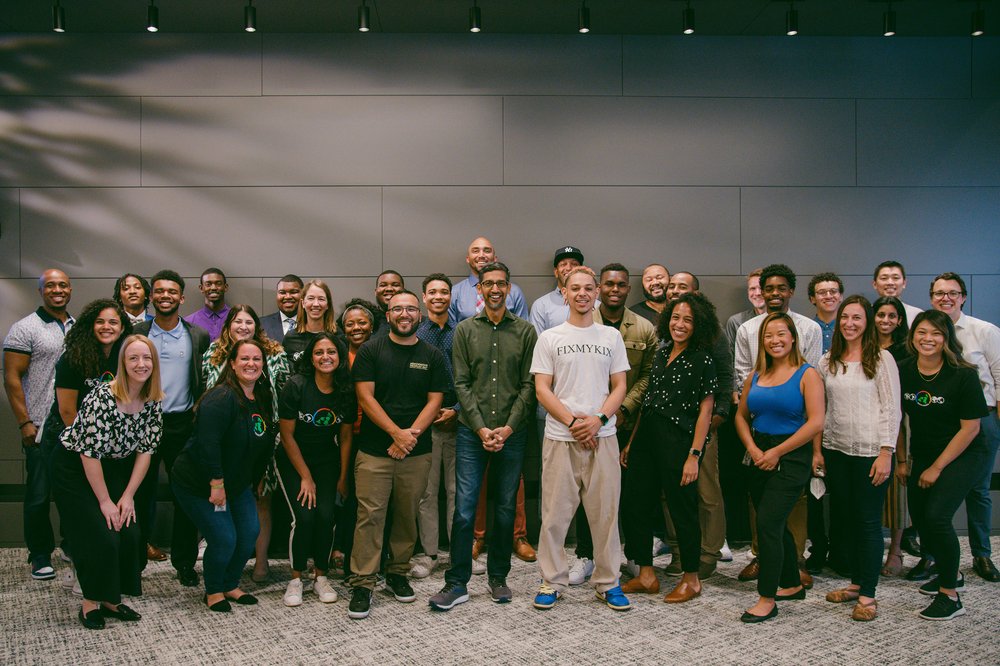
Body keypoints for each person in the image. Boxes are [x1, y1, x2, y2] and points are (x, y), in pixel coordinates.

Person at [429, 262, 538, 611]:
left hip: (513, 433)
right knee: (464, 509)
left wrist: (506, 427)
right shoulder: (464, 331)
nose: (494, 289)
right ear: (479, 289)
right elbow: (460, 383)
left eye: (500, 284)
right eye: (487, 283)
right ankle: (457, 582)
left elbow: (529, 384)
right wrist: (480, 427)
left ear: (509, 289)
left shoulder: (525, 332)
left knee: (505, 509)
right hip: (471, 434)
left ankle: (498, 578)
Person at [530, 266, 631, 612]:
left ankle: (608, 582)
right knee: (555, 516)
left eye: (589, 288)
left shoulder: (610, 338)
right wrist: (574, 422)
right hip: (562, 437)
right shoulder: (550, 338)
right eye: (576, 288)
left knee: (605, 516)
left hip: (603, 437)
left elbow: (620, 386)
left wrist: (599, 419)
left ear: (597, 293)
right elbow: (542, 389)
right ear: (564, 293)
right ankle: (552, 580)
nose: (583, 294)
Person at [347, 290, 449, 620]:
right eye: (397, 309)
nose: (404, 314)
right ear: (387, 314)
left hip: (416, 453)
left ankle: (397, 573)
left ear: (418, 315)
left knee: (407, 514)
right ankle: (363, 582)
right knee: (370, 516)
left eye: (410, 309)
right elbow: (365, 397)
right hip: (375, 452)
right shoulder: (370, 351)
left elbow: (435, 401)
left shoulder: (432, 355)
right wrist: (396, 434)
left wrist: (409, 438)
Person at [53, 334, 163, 629]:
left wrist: (127, 497)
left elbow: (146, 451)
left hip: (112, 467)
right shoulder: (103, 396)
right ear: (123, 363)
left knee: (129, 531)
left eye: (147, 358)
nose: (141, 364)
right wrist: (104, 502)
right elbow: (88, 454)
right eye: (133, 358)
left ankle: (111, 599)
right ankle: (90, 602)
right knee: (101, 533)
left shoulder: (152, 400)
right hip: (74, 467)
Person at [621, 292, 718, 603]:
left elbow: (705, 411)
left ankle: (691, 579)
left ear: (698, 324)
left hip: (678, 442)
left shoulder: (704, 358)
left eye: (687, 320)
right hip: (646, 438)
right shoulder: (661, 355)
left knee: (683, 511)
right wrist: (632, 443)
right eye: (675, 318)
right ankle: (646, 575)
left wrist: (694, 455)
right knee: (637, 506)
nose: (680, 324)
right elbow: (647, 404)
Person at [733, 264, 823, 588]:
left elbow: (815, 409)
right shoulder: (748, 331)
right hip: (758, 441)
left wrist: (808, 449)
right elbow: (742, 386)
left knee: (787, 509)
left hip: (792, 442)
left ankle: (791, 567)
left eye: (780, 288)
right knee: (763, 511)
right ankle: (767, 558)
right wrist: (755, 448)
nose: (773, 293)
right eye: (767, 288)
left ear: (790, 291)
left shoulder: (809, 331)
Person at [171, 339, 275, 612]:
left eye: (256, 359)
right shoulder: (222, 397)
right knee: (224, 537)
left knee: (250, 531)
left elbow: (262, 440)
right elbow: (209, 444)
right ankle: (214, 590)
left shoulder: (260, 396)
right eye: (244, 359)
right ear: (232, 363)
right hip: (199, 482)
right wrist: (216, 483)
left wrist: (259, 476)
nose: (251, 364)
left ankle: (230, 584)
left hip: (237, 481)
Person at [899, 311, 989, 620]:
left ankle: (950, 596)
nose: (928, 339)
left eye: (936, 333)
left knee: (937, 517)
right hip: (923, 454)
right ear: (913, 337)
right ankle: (953, 573)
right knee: (922, 519)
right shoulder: (904, 370)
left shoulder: (963, 374)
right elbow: (896, 418)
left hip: (965, 453)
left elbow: (971, 429)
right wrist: (902, 459)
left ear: (947, 338)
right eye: (922, 332)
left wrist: (936, 467)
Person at [816, 296, 901, 621]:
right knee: (847, 521)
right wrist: (818, 450)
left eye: (857, 318)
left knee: (867, 524)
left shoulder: (882, 359)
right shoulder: (828, 361)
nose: (850, 323)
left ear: (867, 322)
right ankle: (855, 583)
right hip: (837, 451)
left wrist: (886, 452)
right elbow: (822, 409)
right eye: (845, 317)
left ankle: (868, 595)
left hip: (870, 455)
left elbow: (892, 410)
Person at [571, 263, 656, 586]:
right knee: (586, 492)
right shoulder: (580, 323)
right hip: (587, 425)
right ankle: (586, 556)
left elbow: (648, 374)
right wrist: (590, 418)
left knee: (635, 494)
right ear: (598, 288)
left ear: (628, 288)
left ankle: (633, 555)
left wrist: (622, 410)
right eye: (608, 284)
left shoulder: (644, 328)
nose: (615, 290)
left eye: (621, 285)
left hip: (628, 424)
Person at [40, 299, 133, 582]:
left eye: (113, 322)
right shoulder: (73, 358)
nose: (107, 327)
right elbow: (69, 412)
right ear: (90, 325)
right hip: (72, 446)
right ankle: (85, 581)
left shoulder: (124, 356)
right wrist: (94, 448)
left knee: (107, 521)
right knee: (85, 518)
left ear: (123, 327)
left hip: (107, 450)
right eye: (100, 321)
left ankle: (104, 582)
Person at [202, 305, 291, 583]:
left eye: (249, 322)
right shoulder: (214, 354)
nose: (243, 326)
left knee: (262, 499)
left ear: (257, 326)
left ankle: (261, 562)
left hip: (264, 434)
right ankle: (227, 564)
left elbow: (283, 393)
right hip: (227, 439)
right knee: (225, 499)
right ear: (229, 325)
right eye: (237, 321)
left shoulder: (275, 353)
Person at [133, 270, 210, 588]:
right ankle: (132, 564)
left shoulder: (197, 335)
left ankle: (184, 563)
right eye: (160, 291)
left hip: (181, 424)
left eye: (172, 292)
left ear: (181, 297)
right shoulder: (137, 333)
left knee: (185, 498)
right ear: (152, 296)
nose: (165, 296)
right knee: (138, 495)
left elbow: (205, 380)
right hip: (142, 420)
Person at [656, 270, 734, 579]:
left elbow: (726, 380)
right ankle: (679, 550)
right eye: (671, 288)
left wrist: (718, 418)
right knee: (671, 494)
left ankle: (708, 553)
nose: (680, 323)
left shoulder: (712, 339)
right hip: (668, 434)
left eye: (682, 288)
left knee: (706, 493)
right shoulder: (665, 344)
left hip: (703, 430)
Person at [3, 268, 75, 580]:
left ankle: (71, 544)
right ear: (41, 291)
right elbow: (11, 378)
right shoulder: (25, 328)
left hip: (72, 425)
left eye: (62, 285)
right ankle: (40, 553)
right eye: (50, 285)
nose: (57, 290)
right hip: (41, 424)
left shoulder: (78, 327)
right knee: (38, 494)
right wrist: (24, 423)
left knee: (74, 491)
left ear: (70, 289)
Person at [929, 272, 1000, 582]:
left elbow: (999, 377)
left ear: (963, 297)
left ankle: (982, 555)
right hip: (940, 420)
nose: (946, 298)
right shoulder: (926, 331)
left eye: (953, 293)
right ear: (931, 298)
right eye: (940, 293)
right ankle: (932, 558)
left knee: (979, 489)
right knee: (933, 487)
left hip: (981, 418)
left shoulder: (983, 331)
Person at [277, 333, 355, 606]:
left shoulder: (345, 389)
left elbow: (345, 437)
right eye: (319, 352)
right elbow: (286, 436)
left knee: (326, 514)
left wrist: (343, 477)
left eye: (331, 352)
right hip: (293, 459)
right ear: (311, 357)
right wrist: (305, 477)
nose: (326, 357)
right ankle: (296, 578)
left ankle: (321, 575)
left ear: (340, 356)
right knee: (305, 518)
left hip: (326, 459)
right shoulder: (296, 386)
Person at [411, 274, 459, 579]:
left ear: (450, 297)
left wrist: (456, 410)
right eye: (433, 292)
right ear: (424, 298)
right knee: (426, 493)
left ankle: (457, 554)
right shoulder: (415, 334)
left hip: (458, 420)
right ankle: (429, 553)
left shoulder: (463, 332)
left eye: (444, 292)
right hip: (424, 423)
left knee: (457, 491)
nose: (438, 296)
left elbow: (471, 379)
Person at [331, 299, 379, 574]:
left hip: (373, 435)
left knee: (368, 499)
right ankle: (341, 549)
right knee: (344, 493)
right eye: (350, 324)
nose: (356, 328)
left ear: (372, 327)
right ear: (343, 328)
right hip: (342, 436)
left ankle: (366, 556)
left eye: (362, 323)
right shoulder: (338, 356)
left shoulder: (378, 353)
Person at [804, 272, 845, 576]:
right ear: (812, 298)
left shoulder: (850, 327)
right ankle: (817, 548)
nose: (828, 296)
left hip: (845, 414)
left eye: (833, 291)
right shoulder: (806, 329)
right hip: (812, 414)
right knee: (814, 487)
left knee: (843, 490)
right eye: (822, 292)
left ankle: (843, 551)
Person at [872, 296, 911, 576]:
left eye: (891, 316)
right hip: (868, 420)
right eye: (880, 315)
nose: (885, 321)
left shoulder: (907, 351)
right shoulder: (865, 346)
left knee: (898, 488)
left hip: (901, 419)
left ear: (899, 320)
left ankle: (895, 550)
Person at [449, 237, 529, 323]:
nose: (481, 255)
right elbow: (452, 332)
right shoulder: (455, 292)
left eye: (487, 251)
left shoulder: (514, 292)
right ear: (468, 259)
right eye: (476, 251)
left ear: (495, 258)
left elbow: (523, 330)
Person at [529, 245, 584, 334]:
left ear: (582, 270)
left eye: (574, 264)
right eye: (563, 264)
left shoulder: (595, 305)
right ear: (556, 272)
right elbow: (538, 344)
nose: (569, 268)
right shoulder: (541, 306)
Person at [281, 280, 338, 364]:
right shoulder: (290, 338)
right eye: (311, 298)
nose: (315, 304)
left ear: (328, 305)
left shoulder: (337, 335)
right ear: (303, 303)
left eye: (321, 299)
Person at [184, 268, 231, 341]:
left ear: (225, 287)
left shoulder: (236, 318)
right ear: (201, 288)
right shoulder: (189, 322)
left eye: (218, 283)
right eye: (208, 284)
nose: (213, 288)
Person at [872, 260, 923, 325]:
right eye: (884, 278)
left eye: (895, 278)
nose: (890, 282)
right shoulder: (867, 313)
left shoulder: (916, 315)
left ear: (904, 283)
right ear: (874, 284)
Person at [260, 274, 303, 343]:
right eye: (282, 292)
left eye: (293, 292)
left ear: (303, 295)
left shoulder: (312, 324)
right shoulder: (261, 324)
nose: (288, 297)